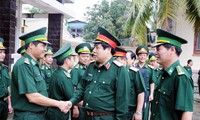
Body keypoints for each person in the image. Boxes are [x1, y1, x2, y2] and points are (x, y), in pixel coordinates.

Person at [65, 27, 130, 120]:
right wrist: (71, 102)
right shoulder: (91, 66)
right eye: (94, 47)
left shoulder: (119, 70)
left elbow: (122, 104)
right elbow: (81, 89)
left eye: (97, 47)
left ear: (108, 49)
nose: (93, 51)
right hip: (86, 116)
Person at [11, 27, 69, 120]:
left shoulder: (34, 65)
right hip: (28, 116)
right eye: (43, 46)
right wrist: (59, 104)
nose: (45, 49)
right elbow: (32, 97)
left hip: (38, 115)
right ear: (31, 45)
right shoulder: (24, 65)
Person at [150, 29, 194, 120]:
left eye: (158, 49)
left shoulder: (181, 77)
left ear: (172, 50)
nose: (155, 52)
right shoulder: (162, 74)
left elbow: (186, 113)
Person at [114, 47, 146, 120]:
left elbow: (141, 92)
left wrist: (138, 112)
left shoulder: (134, 72)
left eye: (117, 60)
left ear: (124, 60)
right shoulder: (113, 72)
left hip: (129, 111)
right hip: (114, 110)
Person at [46, 43, 75, 120]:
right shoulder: (63, 76)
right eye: (73, 59)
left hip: (53, 111)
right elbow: (72, 96)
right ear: (67, 61)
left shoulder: (56, 72)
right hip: (59, 113)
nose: (74, 62)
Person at [70, 42, 91, 120]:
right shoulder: (76, 70)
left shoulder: (88, 68)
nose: (86, 58)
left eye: (87, 56)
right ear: (78, 56)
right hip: (79, 105)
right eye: (83, 56)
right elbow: (73, 89)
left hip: (86, 104)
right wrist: (75, 107)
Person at [135, 45, 155, 120]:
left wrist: (151, 94)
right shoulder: (134, 68)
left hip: (146, 94)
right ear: (137, 56)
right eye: (140, 55)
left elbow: (152, 82)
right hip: (135, 94)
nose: (142, 57)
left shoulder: (150, 69)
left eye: (144, 55)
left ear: (147, 57)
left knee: (145, 113)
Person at [0, 37, 13, 120]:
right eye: (0, 52)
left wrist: (9, 104)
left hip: (4, 103)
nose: (3, 54)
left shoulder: (5, 68)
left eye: (4, 52)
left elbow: (8, 87)